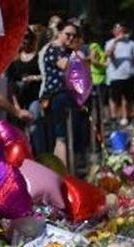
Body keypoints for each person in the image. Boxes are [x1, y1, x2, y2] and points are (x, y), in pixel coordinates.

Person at [40, 22, 75, 166]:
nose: (71, 38)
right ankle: (63, 172)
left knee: (67, 134)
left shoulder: (66, 50)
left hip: (67, 94)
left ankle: (67, 168)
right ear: (59, 32)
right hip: (56, 95)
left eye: (74, 35)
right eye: (68, 34)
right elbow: (63, 65)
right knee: (60, 136)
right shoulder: (52, 49)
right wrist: (76, 56)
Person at [7, 27, 42, 128]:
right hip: (18, 98)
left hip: (34, 97)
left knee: (34, 126)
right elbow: (11, 82)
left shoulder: (38, 57)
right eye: (20, 36)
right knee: (18, 129)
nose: (24, 40)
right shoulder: (13, 59)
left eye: (26, 37)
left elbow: (45, 76)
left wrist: (34, 78)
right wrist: (16, 106)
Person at [106, 23, 134, 126]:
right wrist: (116, 41)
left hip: (129, 74)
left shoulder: (131, 43)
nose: (120, 32)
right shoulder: (109, 42)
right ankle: (114, 117)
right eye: (118, 30)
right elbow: (108, 53)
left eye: (122, 30)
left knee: (128, 98)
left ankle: (126, 117)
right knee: (115, 98)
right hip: (115, 75)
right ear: (114, 32)